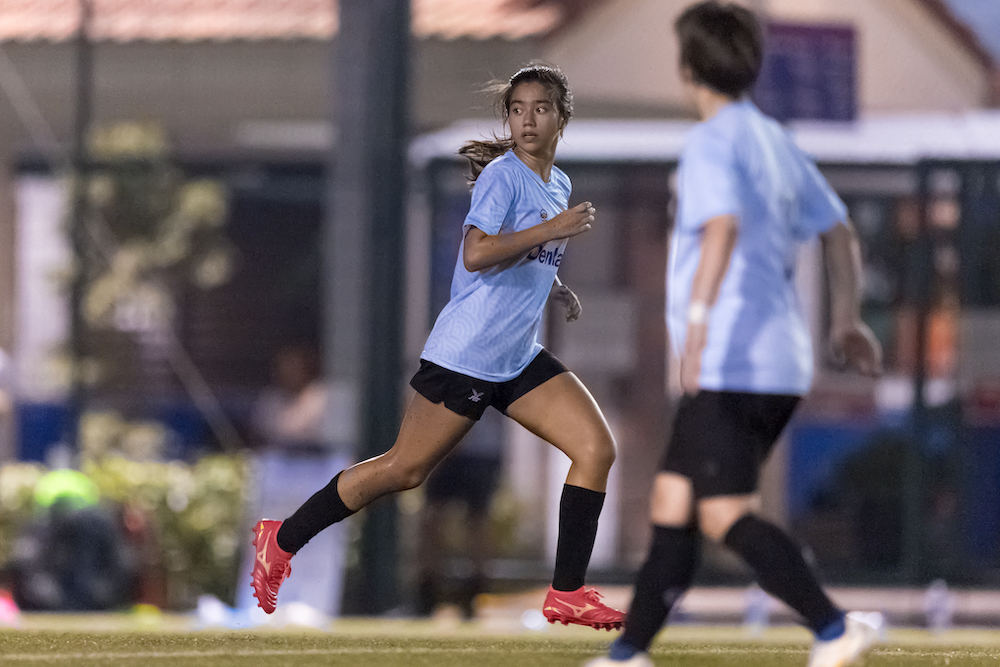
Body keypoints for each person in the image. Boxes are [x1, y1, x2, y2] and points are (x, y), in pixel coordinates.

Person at [252, 62, 624, 630]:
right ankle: (280, 539)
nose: (527, 120)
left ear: (562, 118)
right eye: (517, 110)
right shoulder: (503, 176)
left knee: (595, 449)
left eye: (540, 109)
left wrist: (555, 286)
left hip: (515, 356)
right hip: (467, 354)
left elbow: (521, 255)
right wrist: (552, 232)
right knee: (403, 470)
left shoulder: (559, 185)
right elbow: (476, 253)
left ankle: (567, 593)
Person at [585, 3, 884, 666]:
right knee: (674, 501)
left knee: (721, 512)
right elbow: (839, 231)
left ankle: (835, 627)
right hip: (778, 361)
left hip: (732, 360)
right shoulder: (776, 140)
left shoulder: (711, 143)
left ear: (688, 69)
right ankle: (629, 652)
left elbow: (721, 226)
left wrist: (695, 328)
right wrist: (845, 318)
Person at [237, 342, 352, 618]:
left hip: (317, 474)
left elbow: (306, 431)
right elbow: (263, 434)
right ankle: (261, 603)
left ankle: (312, 606)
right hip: (279, 475)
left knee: (316, 544)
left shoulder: (324, 397)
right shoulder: (272, 399)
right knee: (270, 537)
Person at [413, 408, 505, 620]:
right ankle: (427, 594)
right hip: (448, 447)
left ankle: (474, 595)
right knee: (433, 519)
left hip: (478, 451)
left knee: (477, 521)